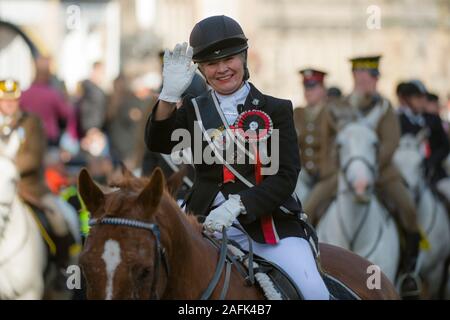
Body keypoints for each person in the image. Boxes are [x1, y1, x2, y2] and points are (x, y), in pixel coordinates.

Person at [145, 15, 329, 300]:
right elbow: (158, 141)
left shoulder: (276, 109)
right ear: (201, 69)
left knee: (313, 291)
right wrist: (168, 95)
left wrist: (239, 205)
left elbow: (285, 176)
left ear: (243, 58)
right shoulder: (193, 110)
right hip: (204, 223)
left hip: (268, 226)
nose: (221, 69)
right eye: (211, 64)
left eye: (229, 59)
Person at [304, 56, 422, 298]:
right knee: (308, 208)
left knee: (408, 208)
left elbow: (390, 142)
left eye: (368, 77)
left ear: (376, 79)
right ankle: (306, 262)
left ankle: (408, 271)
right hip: (340, 174)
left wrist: (369, 169)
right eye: (359, 76)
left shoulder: (386, 108)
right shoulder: (338, 106)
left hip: (382, 174)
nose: (363, 81)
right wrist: (333, 170)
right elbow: (327, 143)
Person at [0, 79, 76, 285]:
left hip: (29, 187)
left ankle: (62, 267)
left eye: (12, 100)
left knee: (57, 219)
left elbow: (34, 156)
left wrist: (7, 169)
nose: (8, 104)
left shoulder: (31, 122)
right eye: (4, 100)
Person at [397, 81, 450, 200]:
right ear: (407, 100)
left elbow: (444, 146)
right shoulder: (398, 121)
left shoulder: (433, 119)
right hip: (405, 174)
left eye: (423, 97)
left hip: (434, 173)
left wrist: (430, 162)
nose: (422, 100)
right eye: (417, 97)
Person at [293, 68, 328, 185]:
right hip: (303, 174)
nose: (308, 91)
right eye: (306, 87)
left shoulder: (330, 112)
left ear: (323, 89)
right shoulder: (297, 113)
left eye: (313, 87)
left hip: (326, 176)